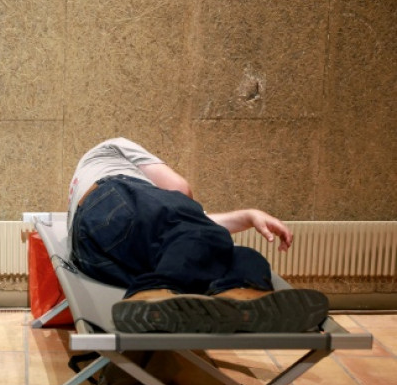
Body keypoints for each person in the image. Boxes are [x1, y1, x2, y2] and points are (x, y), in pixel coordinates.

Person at [68, 137, 328, 333]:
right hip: (113, 195)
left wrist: (248, 216)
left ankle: (238, 299)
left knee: (234, 253)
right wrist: (244, 215)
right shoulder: (114, 147)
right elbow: (181, 192)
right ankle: (156, 294)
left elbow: (189, 230)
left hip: (95, 255)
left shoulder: (142, 217)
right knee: (216, 245)